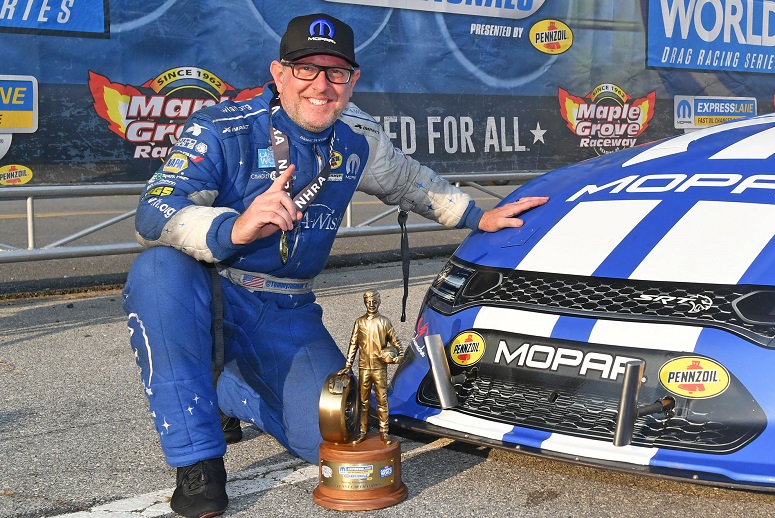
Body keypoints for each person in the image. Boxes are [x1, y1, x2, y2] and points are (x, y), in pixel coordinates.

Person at [121, 12, 547, 518]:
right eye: (305, 69)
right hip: (216, 291)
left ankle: (228, 390)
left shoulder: (358, 135)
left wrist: (481, 215)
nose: (321, 86)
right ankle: (198, 460)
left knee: (338, 437)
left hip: (287, 306)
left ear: (352, 81)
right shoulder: (220, 126)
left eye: (336, 72)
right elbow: (153, 214)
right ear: (279, 74)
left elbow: (412, 183)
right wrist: (233, 228)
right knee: (157, 270)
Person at [341, 289, 402, 444]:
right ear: (364, 302)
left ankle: (384, 432)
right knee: (363, 401)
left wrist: (398, 357)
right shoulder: (359, 322)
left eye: (374, 301)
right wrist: (348, 365)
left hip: (379, 368)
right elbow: (353, 344)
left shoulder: (384, 322)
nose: (371, 304)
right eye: (368, 302)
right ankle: (362, 432)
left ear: (379, 302)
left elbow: (396, 344)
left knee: (382, 401)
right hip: (364, 368)